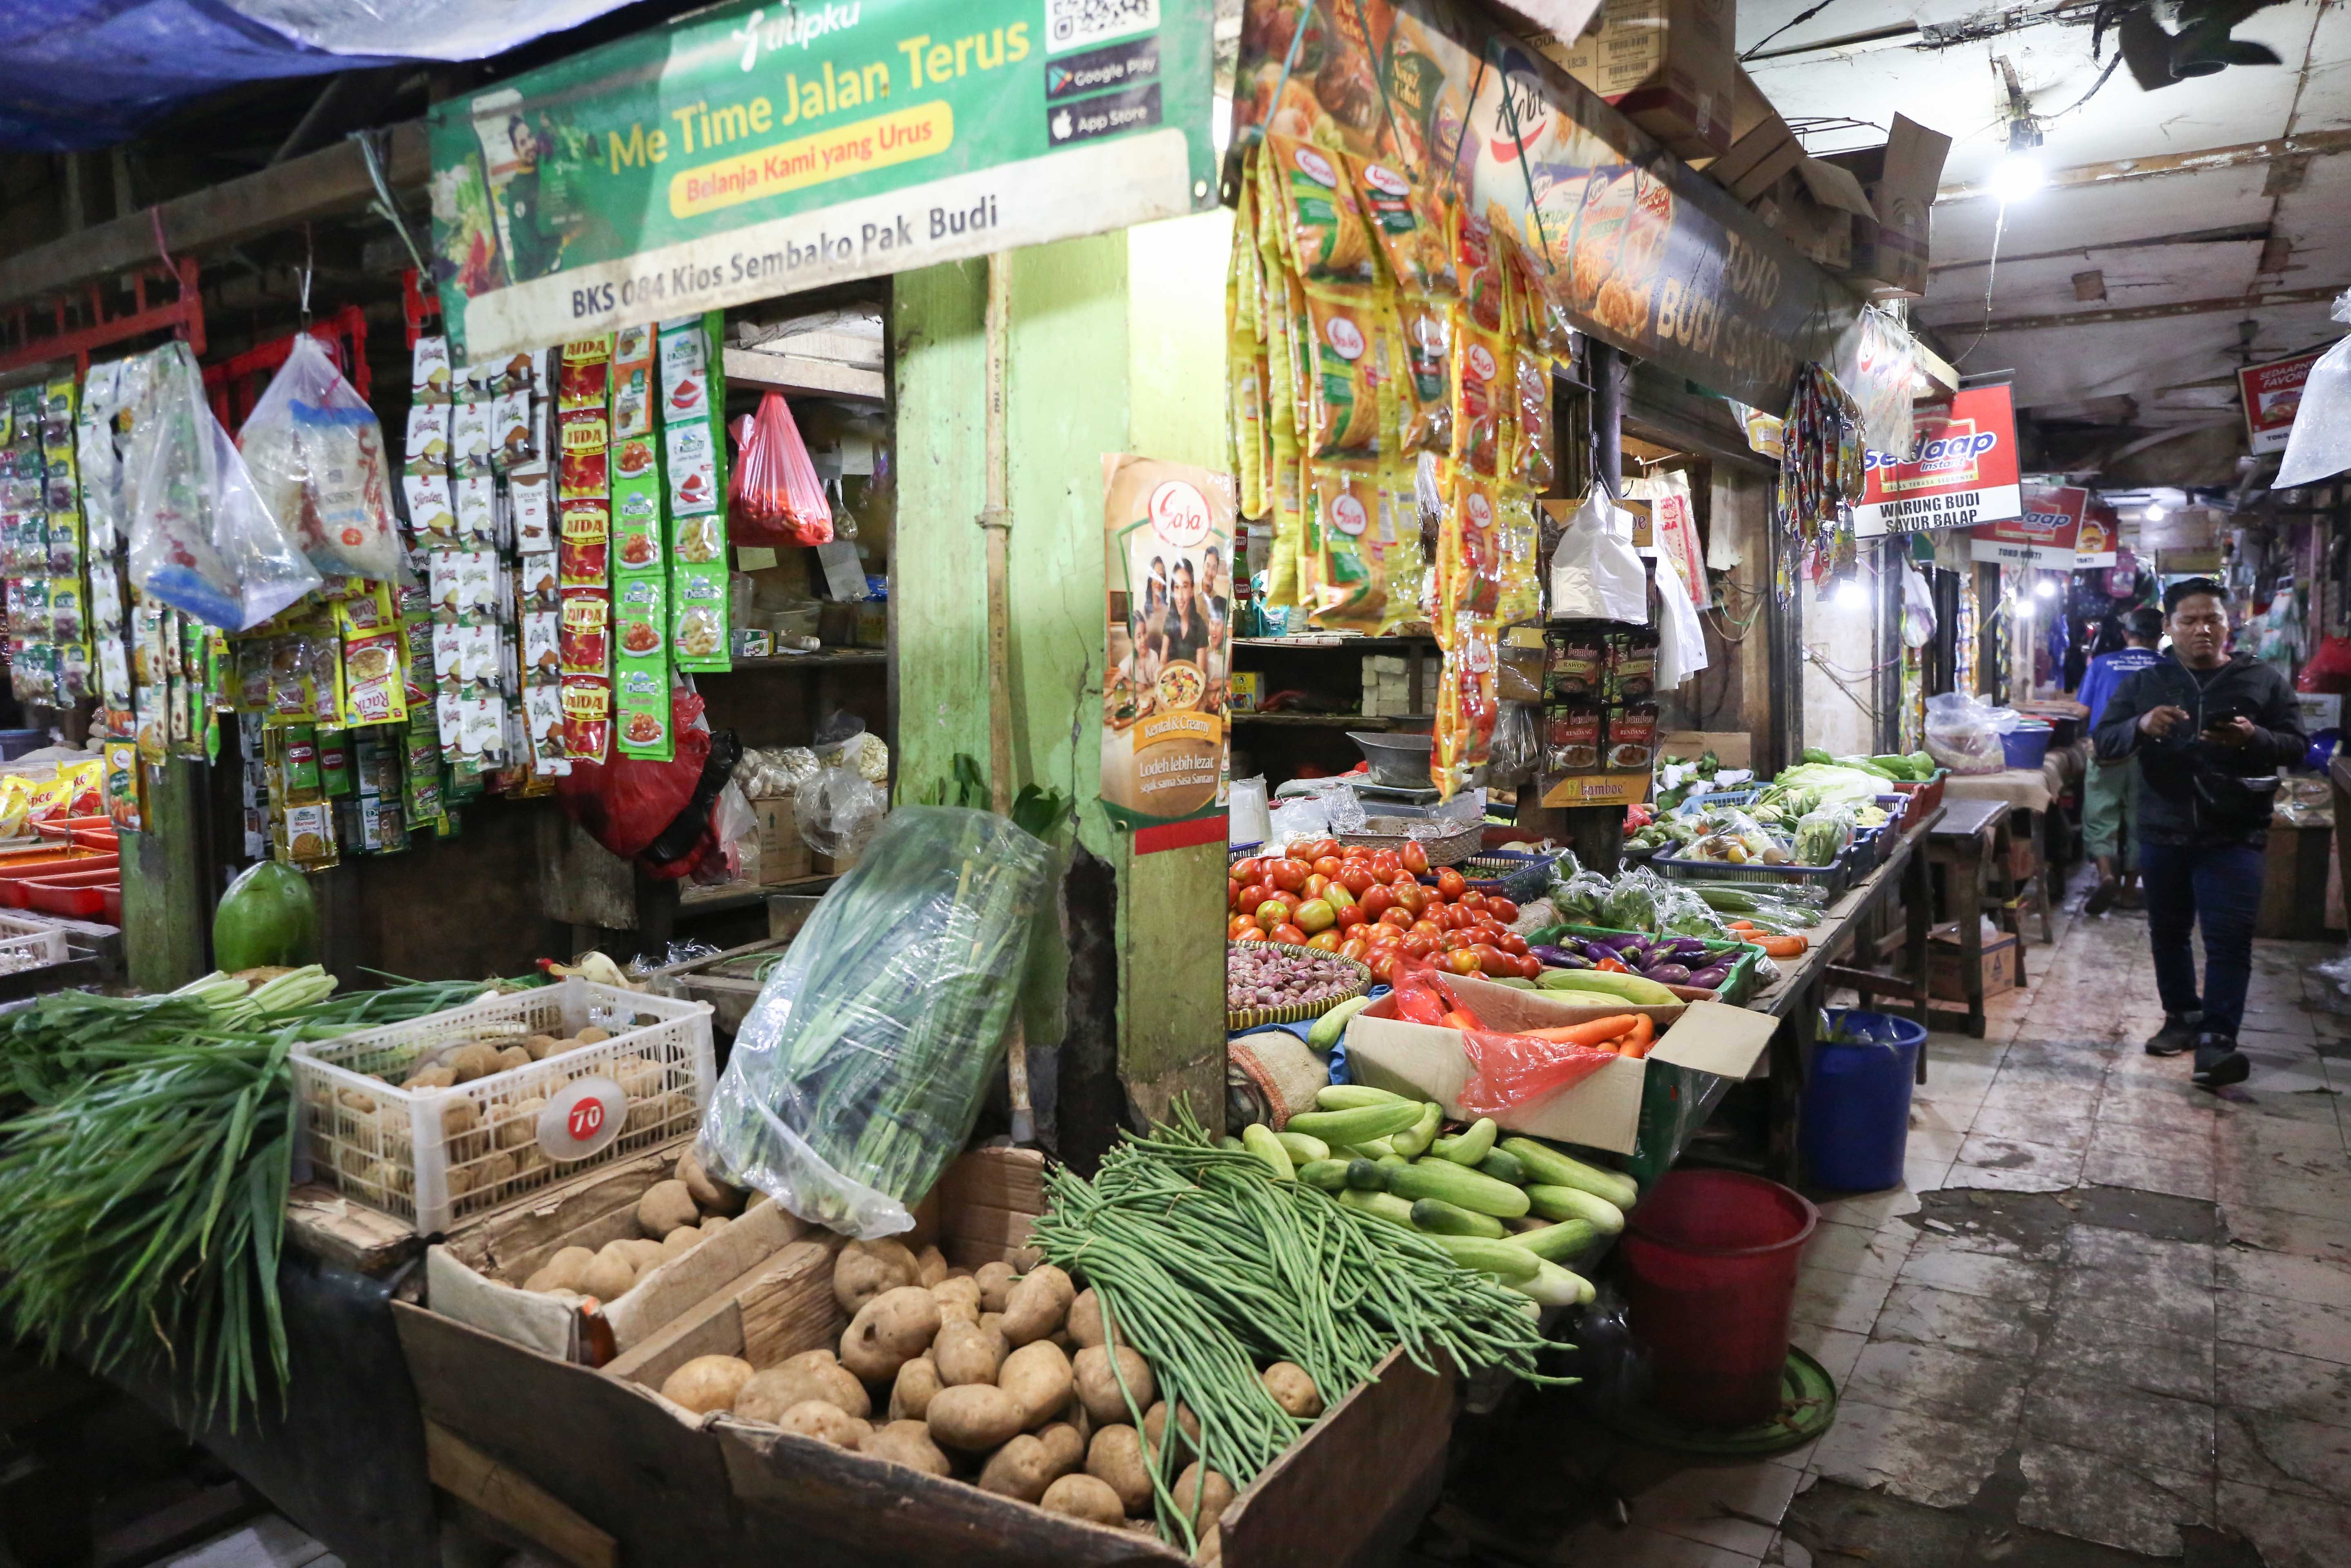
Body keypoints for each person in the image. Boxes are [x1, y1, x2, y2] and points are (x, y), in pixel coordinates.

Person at [2092, 579, 2306, 1088]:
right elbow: (2104, 742)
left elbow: (2297, 745)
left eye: (2212, 619)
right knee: (2168, 933)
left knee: (2229, 939)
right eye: (2189, 621)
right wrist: (2142, 724)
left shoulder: (2261, 679)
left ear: (2229, 623)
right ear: (2169, 627)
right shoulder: (2147, 683)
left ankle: (2218, 1041)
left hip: (2236, 831)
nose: (2202, 630)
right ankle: (2182, 1017)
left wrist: (2254, 737)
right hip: (2163, 829)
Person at [2077, 606, 2165, 914]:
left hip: (2107, 750)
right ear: (2159, 637)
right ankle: (2129, 893)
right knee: (2140, 821)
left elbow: (2083, 710)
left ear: (2127, 635)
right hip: (2151, 753)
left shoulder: (2102, 663)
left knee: (2099, 816)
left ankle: (2106, 875)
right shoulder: (2170, 667)